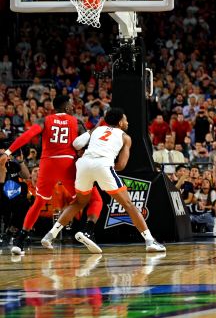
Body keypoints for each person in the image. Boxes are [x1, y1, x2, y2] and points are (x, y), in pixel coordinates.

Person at [39, 108, 166, 254]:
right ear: (120, 122)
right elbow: (121, 165)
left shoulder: (97, 130)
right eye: (125, 120)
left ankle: (50, 235)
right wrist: (106, 172)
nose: (127, 122)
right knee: (128, 204)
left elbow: (76, 144)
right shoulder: (125, 137)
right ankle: (150, 241)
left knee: (79, 203)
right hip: (103, 165)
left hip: (84, 164)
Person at [0, 95, 96, 256]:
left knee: (38, 202)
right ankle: (82, 232)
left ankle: (19, 241)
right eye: (71, 105)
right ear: (66, 107)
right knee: (82, 200)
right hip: (67, 163)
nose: (72, 107)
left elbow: (27, 136)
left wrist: (8, 152)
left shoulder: (45, 120)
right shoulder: (76, 121)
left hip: (48, 163)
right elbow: (85, 144)